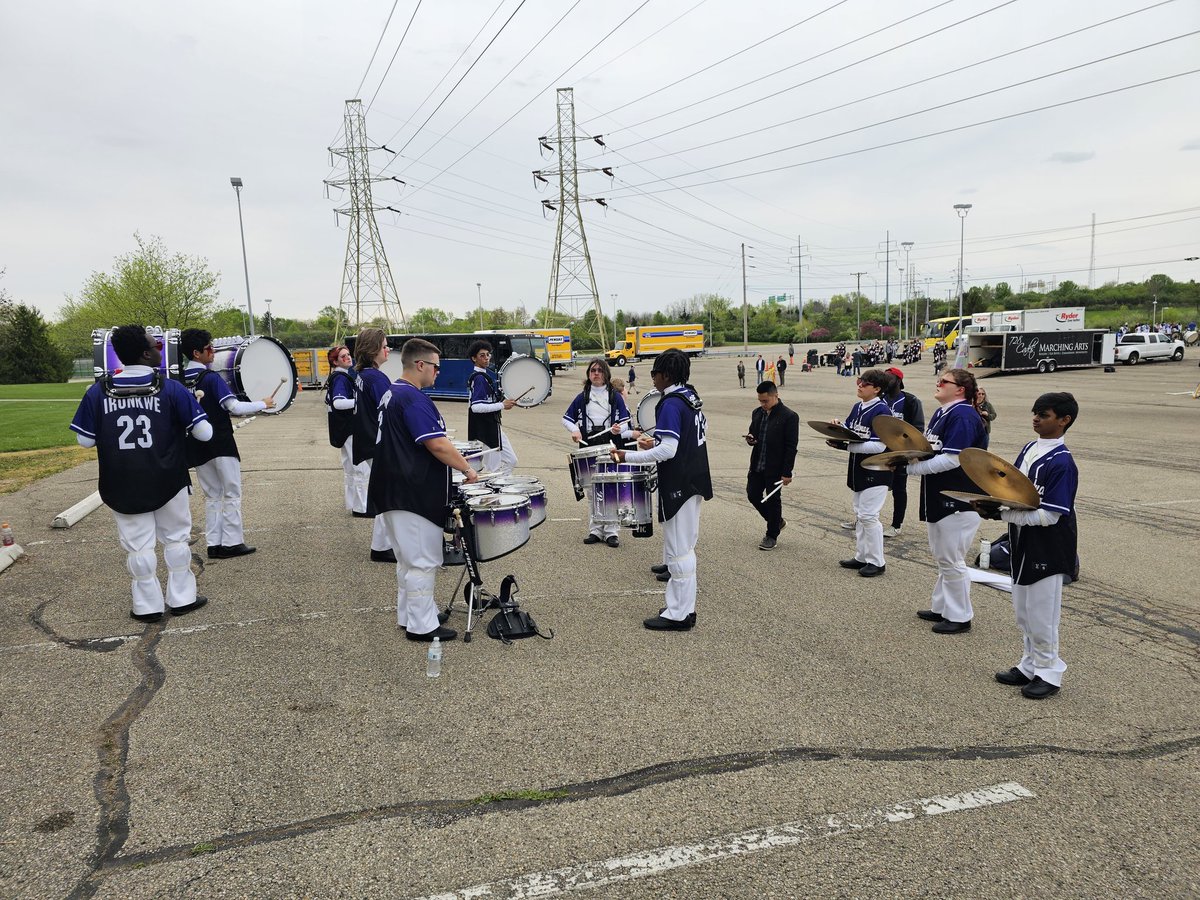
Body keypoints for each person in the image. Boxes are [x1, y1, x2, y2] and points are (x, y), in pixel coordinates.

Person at [70, 325, 212, 622]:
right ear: (145, 353)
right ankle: (182, 598)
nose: (160, 350)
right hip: (168, 477)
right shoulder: (171, 388)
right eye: (155, 346)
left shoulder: (97, 391)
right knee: (175, 539)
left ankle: (147, 605)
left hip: (121, 480)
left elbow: (84, 441)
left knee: (138, 547)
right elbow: (205, 433)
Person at [368, 338, 478, 642]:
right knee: (422, 561)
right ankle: (422, 626)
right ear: (420, 365)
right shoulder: (414, 399)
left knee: (407, 561)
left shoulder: (392, 393)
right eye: (436, 367)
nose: (437, 373)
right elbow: (437, 443)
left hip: (392, 489)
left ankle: (413, 614)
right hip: (411, 492)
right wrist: (467, 470)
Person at [983, 392, 1079, 700]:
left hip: (1049, 547)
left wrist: (1003, 513)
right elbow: (1012, 488)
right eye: (1035, 412)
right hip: (1023, 541)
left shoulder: (1062, 462)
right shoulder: (1030, 448)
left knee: (1042, 615)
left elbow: (1051, 514)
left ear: (1064, 420)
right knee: (1023, 611)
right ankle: (1029, 664)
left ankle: (1049, 672)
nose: (1036, 418)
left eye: (1045, 414)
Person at [612, 350, 712, 631]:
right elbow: (683, 437)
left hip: (679, 482)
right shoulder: (690, 396)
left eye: (654, 373)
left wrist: (625, 456)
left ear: (665, 375)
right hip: (695, 479)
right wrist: (654, 442)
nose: (652, 379)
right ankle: (685, 607)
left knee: (680, 552)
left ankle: (678, 614)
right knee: (686, 547)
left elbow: (669, 450)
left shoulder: (670, 403)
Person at [904, 368, 989, 634]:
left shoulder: (963, 414)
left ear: (960, 389)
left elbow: (954, 458)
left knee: (952, 559)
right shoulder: (945, 412)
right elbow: (931, 451)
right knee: (943, 556)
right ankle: (942, 607)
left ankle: (960, 616)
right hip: (941, 495)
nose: (938, 384)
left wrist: (911, 469)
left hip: (960, 498)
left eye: (944, 381)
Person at [180, 328, 276, 560]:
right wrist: (262, 403)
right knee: (232, 493)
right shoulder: (211, 378)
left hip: (195, 445)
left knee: (212, 496)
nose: (213, 352)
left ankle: (214, 544)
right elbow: (234, 407)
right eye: (208, 349)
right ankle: (232, 542)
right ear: (196, 353)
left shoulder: (180, 381)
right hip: (220, 442)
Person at [563, 357, 631, 547]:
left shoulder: (614, 396)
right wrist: (574, 430)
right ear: (589, 374)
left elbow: (625, 423)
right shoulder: (582, 396)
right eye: (593, 370)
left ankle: (611, 532)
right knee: (593, 490)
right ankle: (595, 530)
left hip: (610, 444)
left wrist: (620, 430)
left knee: (610, 488)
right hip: (588, 444)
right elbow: (566, 418)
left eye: (600, 370)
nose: (596, 373)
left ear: (606, 373)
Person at [831, 369, 892, 577]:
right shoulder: (858, 406)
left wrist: (846, 447)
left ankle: (877, 561)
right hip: (859, 467)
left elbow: (879, 446)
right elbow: (849, 429)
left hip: (877, 469)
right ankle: (862, 556)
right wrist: (837, 429)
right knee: (860, 514)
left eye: (865, 383)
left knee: (869, 515)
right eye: (859, 381)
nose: (860, 385)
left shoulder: (882, 411)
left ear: (877, 389)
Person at [352, 327, 397, 563]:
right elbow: (388, 411)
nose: (387, 349)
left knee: (387, 492)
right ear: (372, 350)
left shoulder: (363, 375)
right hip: (377, 442)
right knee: (390, 493)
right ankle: (382, 547)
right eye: (384, 345)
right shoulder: (376, 378)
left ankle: (382, 545)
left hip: (368, 440)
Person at [744, 381, 798, 551]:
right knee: (753, 495)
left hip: (776, 466)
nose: (762, 404)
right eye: (760, 401)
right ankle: (777, 521)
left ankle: (771, 535)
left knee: (773, 500)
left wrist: (787, 472)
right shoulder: (757, 413)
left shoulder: (789, 416)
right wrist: (751, 439)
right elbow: (754, 432)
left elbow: (791, 446)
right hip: (757, 464)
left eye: (765, 401)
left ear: (776, 396)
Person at [881, 366, 924, 538]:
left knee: (899, 488)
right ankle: (864, 518)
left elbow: (918, 429)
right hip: (879, 450)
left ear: (898, 380)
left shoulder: (911, 401)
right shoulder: (880, 399)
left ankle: (896, 524)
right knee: (870, 486)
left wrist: (907, 454)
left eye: (888, 378)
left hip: (899, 452)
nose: (884, 381)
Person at [325, 345, 366, 516]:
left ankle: (355, 504)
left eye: (348, 355)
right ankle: (362, 507)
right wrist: (362, 403)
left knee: (351, 468)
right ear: (335, 361)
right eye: (343, 356)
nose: (348, 358)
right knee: (360, 468)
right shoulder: (341, 378)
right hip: (348, 428)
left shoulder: (338, 377)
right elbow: (338, 403)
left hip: (343, 429)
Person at [466, 340, 518, 475]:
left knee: (509, 461)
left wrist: (504, 402)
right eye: (482, 355)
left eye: (488, 354)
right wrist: (502, 405)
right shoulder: (479, 378)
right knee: (493, 469)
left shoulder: (484, 376)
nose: (486, 358)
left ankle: (501, 487)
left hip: (491, 427)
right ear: (474, 358)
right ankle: (496, 492)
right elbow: (475, 407)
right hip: (486, 430)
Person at [975, 386, 998, 450]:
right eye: (979, 394)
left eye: (983, 394)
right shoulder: (972, 404)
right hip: (974, 431)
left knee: (983, 449)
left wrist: (987, 414)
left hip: (985, 430)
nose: (981, 396)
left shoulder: (988, 405)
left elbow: (994, 415)